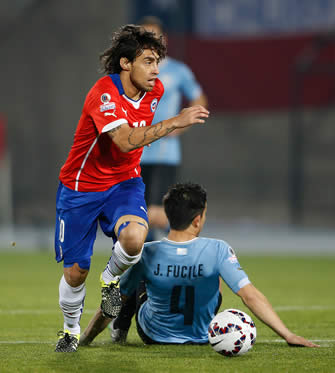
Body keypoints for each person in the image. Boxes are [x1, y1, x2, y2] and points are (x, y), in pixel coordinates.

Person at [54, 25, 209, 352]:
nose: (156, 70)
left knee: (135, 238)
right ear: (126, 64)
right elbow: (124, 141)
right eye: (149, 61)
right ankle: (69, 331)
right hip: (80, 188)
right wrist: (174, 122)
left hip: (124, 183)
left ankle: (111, 279)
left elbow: (131, 147)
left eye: (158, 61)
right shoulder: (104, 93)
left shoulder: (154, 90)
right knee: (76, 272)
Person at [79, 183, 319, 348]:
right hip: (202, 336)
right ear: (198, 218)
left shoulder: (147, 251)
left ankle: (120, 329)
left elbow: (113, 302)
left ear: (168, 216)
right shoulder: (218, 249)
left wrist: (86, 338)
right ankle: (196, 322)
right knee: (215, 278)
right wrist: (288, 334)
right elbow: (250, 296)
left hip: (153, 335)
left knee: (131, 280)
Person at [139, 16, 208, 241]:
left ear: (164, 40)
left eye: (154, 36)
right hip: (135, 150)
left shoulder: (177, 71)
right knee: (139, 215)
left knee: (155, 213)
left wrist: (183, 123)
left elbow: (199, 98)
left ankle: (189, 227)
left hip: (163, 152)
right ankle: (146, 263)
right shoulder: (132, 72)